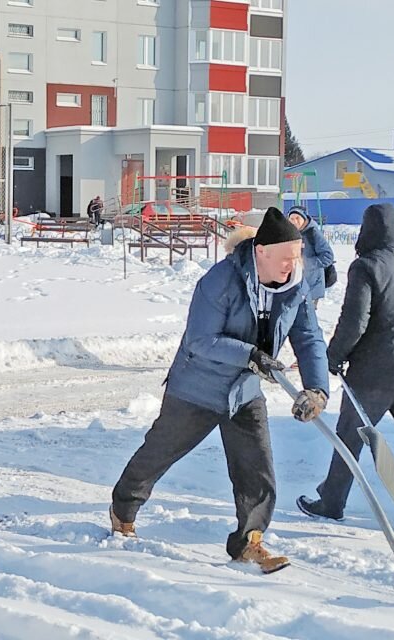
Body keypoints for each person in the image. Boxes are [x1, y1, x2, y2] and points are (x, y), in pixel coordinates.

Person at [109, 207, 330, 573]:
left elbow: (309, 337)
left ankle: (249, 542)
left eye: (297, 257)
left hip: (244, 392)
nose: (293, 265)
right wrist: (251, 356)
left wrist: (317, 390)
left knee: (257, 471)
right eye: (287, 259)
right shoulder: (220, 280)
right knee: (158, 454)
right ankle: (123, 509)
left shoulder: (296, 285)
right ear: (262, 251)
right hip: (197, 386)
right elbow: (200, 339)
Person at [296, 202, 394, 537]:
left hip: (374, 374)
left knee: (349, 436)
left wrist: (333, 356)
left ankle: (332, 503)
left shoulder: (366, 266)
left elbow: (355, 322)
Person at [287, 206, 336, 308]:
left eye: (297, 218)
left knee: (308, 320)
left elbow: (328, 256)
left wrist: (306, 263)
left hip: (312, 286)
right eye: (292, 219)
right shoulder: (289, 235)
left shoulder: (312, 233)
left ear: (304, 219)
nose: (294, 221)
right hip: (296, 285)